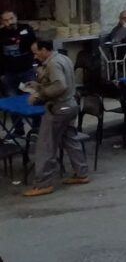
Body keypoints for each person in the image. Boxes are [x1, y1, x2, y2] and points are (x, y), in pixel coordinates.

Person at [22, 40, 89, 197]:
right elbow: (58, 82)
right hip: (70, 105)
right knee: (70, 139)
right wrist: (39, 85)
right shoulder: (63, 58)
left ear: (44, 50)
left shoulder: (53, 64)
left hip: (59, 108)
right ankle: (82, 173)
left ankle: (43, 184)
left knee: (46, 145)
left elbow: (60, 86)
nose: (35, 55)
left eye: (36, 51)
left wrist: (39, 94)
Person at [1, 10, 36, 99]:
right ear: (2, 22)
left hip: (26, 71)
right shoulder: (1, 34)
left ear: (16, 18)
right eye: (6, 20)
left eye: (11, 18)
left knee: (29, 97)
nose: (10, 22)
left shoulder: (26, 29)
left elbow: (34, 45)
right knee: (12, 98)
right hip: (9, 74)